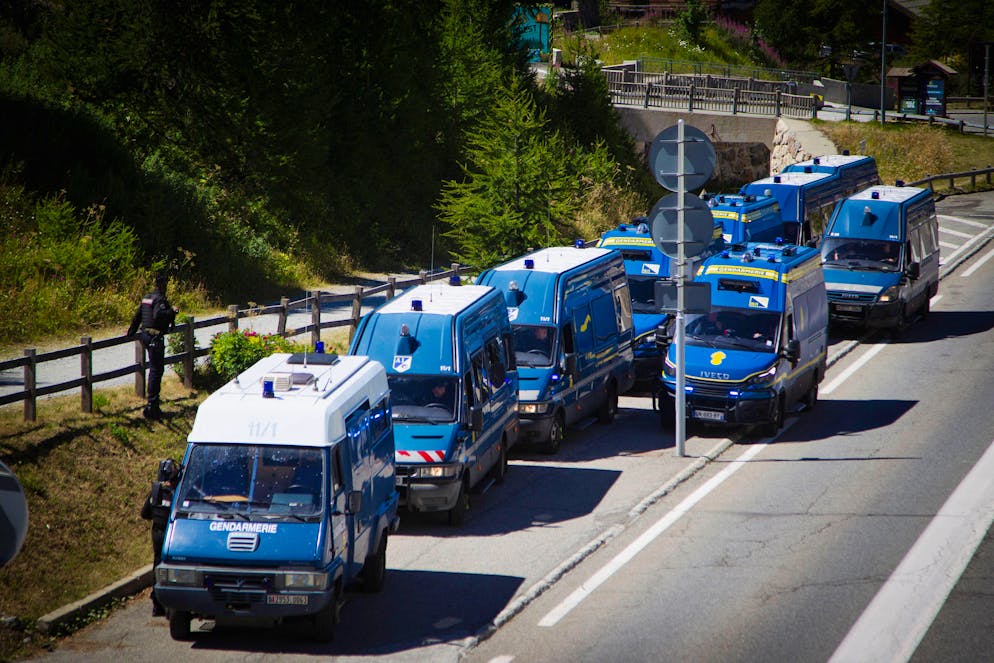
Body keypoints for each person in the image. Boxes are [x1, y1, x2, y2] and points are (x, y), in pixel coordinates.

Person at [128, 274, 178, 419]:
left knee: (154, 369)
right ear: (163, 285)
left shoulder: (147, 297)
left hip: (144, 335)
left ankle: (152, 404)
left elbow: (138, 315)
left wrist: (131, 332)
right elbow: (158, 315)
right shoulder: (160, 299)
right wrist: (172, 311)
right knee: (156, 370)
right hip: (154, 337)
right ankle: (152, 406)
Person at [141, 459, 179, 616]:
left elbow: (144, 514)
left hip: (157, 533)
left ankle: (157, 603)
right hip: (171, 534)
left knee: (157, 564)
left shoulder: (155, 493)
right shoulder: (176, 494)